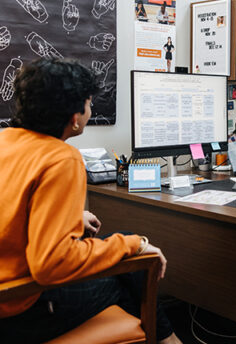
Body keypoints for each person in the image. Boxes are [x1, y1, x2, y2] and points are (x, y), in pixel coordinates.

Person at [0, 58, 182, 344]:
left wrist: (69, 218)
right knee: (132, 269)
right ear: (75, 116)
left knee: (122, 244)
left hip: (7, 285)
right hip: (18, 309)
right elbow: (50, 265)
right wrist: (135, 244)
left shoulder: (6, 140)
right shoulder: (60, 158)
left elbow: (11, 212)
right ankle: (168, 340)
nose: (91, 110)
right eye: (88, 103)